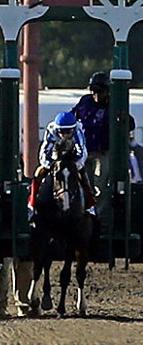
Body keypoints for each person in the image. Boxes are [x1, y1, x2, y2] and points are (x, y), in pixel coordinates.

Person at [72, 71, 134, 234]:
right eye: (93, 90)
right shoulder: (85, 102)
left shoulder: (114, 105)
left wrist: (123, 119)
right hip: (83, 152)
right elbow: (72, 117)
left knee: (101, 188)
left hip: (102, 153)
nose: (95, 94)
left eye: (99, 91)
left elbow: (130, 123)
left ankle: (102, 225)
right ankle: (80, 222)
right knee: (81, 186)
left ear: (107, 91)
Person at [28, 110, 96, 221]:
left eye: (68, 132)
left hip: (72, 160)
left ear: (73, 129)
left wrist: (76, 165)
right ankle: (32, 203)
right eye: (61, 131)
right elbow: (44, 151)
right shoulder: (51, 130)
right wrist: (49, 164)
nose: (64, 135)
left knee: (84, 176)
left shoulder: (78, 131)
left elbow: (82, 152)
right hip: (55, 160)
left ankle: (90, 204)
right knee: (38, 173)